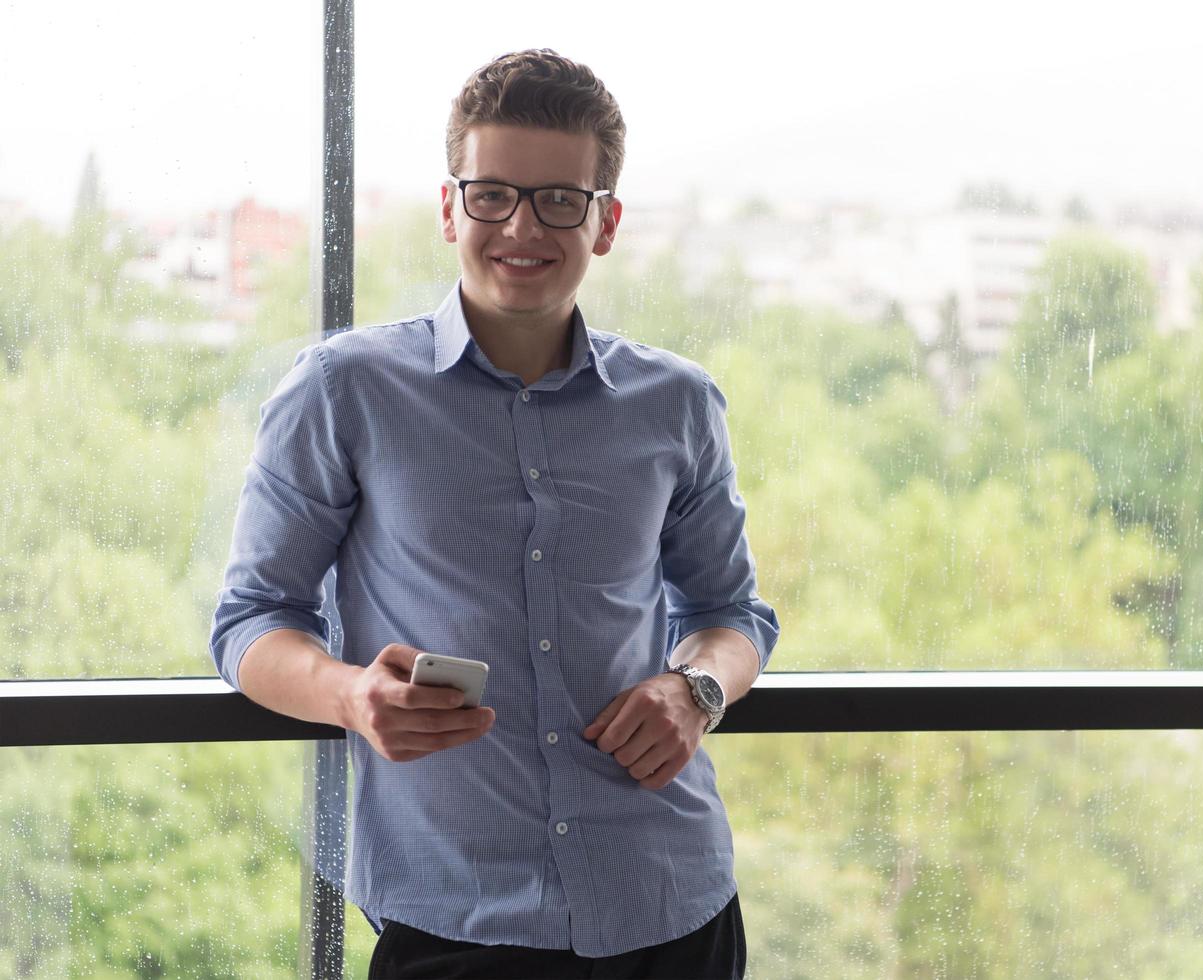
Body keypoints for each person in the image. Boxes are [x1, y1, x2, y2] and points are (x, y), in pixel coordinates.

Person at [209, 48, 778, 979]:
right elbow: (249, 623)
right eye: (491, 194)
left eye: (560, 198)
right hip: (455, 918)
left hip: (670, 901)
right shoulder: (342, 391)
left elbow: (731, 614)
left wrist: (696, 690)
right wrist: (352, 698)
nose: (522, 224)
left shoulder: (676, 403)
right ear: (449, 208)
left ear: (605, 223)